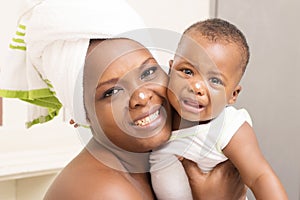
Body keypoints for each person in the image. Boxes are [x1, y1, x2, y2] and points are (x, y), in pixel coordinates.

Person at [0, 1, 247, 199]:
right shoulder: (105, 191)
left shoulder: (159, 158)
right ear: (81, 115)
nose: (141, 96)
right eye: (111, 92)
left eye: (148, 72)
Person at [150, 18, 288, 200]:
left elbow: (260, 177)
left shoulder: (228, 128)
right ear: (170, 69)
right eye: (187, 71)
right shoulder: (156, 116)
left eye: (215, 80)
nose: (196, 87)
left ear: (232, 95)